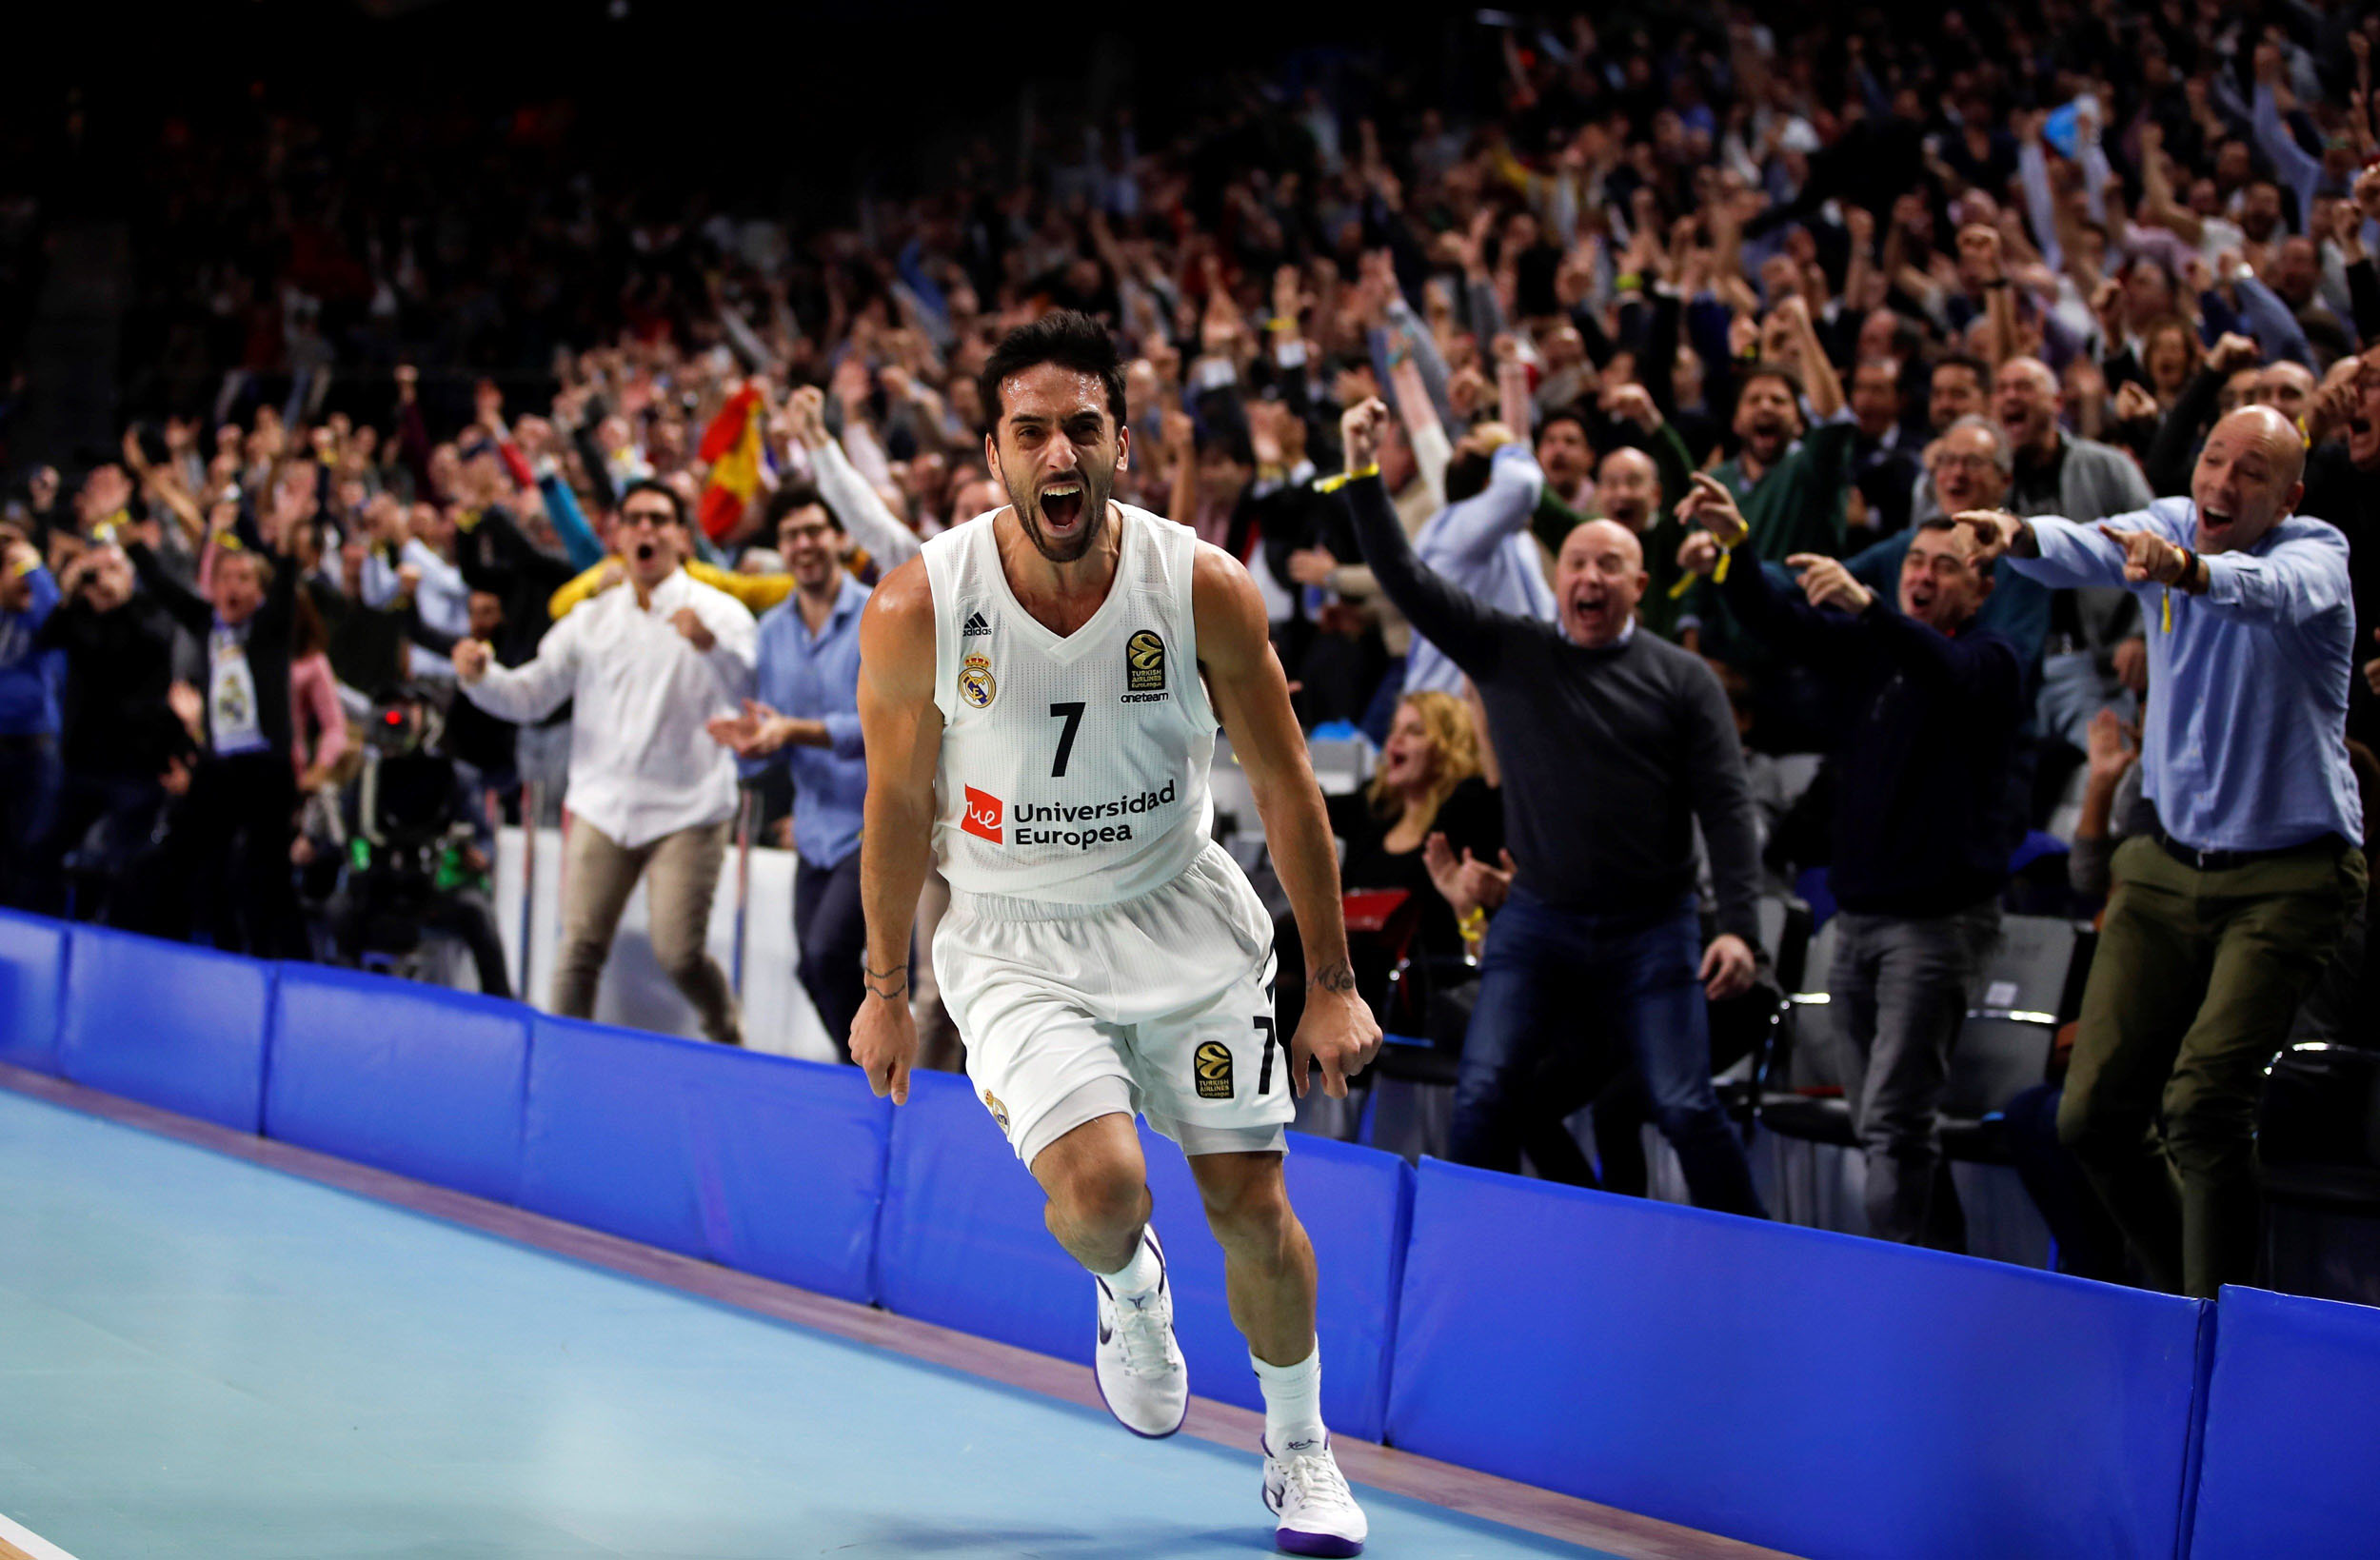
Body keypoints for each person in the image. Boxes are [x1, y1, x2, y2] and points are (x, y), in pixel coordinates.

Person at [850, 313, 1379, 1555]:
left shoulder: (1198, 584)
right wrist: (886, 984)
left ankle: (1300, 1446)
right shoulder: (920, 602)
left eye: (1081, 426)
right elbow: (896, 803)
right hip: (1017, 935)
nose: (1058, 451)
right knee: (1101, 1195)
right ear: (992, 453)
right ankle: (1131, 1288)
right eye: (1029, 430)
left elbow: (1290, 781)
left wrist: (1332, 978)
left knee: (1251, 1205)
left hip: (1182, 919)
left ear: (1120, 445)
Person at [1956, 405, 2369, 1297]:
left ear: (2288, 495)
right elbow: (2083, 542)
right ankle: (2187, 1292)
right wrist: (2016, 528)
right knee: (2091, 1117)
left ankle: (2211, 1321)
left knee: (2201, 1106)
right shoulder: (2166, 520)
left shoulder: (2318, 552)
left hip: (2291, 873)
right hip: (2164, 857)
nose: (2222, 481)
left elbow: (2267, 595)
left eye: (2250, 472)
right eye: (2213, 459)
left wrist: (2185, 569)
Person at [1337, 396, 1768, 1218]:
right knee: (1485, 1093)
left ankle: (1759, 1257)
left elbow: (1726, 806)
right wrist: (1361, 475)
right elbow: (1406, 579)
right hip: (1540, 919)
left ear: (1641, 583)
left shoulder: (1684, 679)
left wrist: (1741, 926)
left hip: (1653, 926)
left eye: (1610, 566)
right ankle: (1470, 1254)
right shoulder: (1514, 649)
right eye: (1576, 563)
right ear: (1556, 576)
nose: (1590, 578)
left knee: (1684, 1105)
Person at [1681, 479, 2024, 1245]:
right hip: (1859, 920)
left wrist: (1871, 609)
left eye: (1945, 564)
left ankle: (1893, 1284)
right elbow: (1778, 620)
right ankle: (1943, 1267)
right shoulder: (1876, 652)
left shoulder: (1994, 659)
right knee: (1882, 1123)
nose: (1923, 574)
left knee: (1896, 1122)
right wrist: (1739, 550)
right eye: (1916, 560)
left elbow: (1952, 675)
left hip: (1934, 929)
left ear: (1983, 585)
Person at [453, 479, 757, 1046]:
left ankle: (727, 1035)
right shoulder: (589, 620)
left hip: (689, 811)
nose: (646, 529)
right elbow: (531, 696)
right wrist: (479, 679)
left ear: (681, 537)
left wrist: (709, 644)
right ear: (617, 536)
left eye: (659, 519)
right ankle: (565, 1065)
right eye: (635, 519)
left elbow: (751, 691)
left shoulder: (721, 613)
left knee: (680, 954)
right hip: (603, 806)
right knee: (577, 948)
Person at [708, 485, 872, 1060]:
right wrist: (755, 747)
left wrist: (793, 731)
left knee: (829, 953)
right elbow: (776, 733)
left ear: (840, 538)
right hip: (814, 831)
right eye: (791, 536)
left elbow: (883, 727)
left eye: (813, 531)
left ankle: (880, 1073)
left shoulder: (878, 615)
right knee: (813, 965)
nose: (803, 545)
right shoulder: (772, 630)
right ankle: (870, 1071)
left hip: (878, 826)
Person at [0, 529, 61, 909]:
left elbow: (55, 613)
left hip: (35, 750)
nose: (22, 577)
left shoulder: (39, 617)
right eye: (12, 567)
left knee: (31, 849)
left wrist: (34, 566)